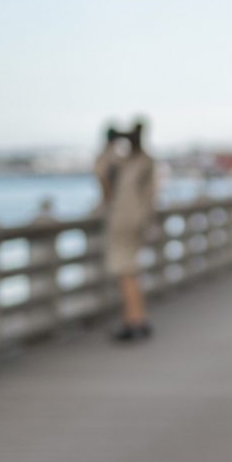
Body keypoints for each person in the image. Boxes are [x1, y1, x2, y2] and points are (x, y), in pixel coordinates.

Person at [94, 120, 156, 341]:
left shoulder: (128, 165)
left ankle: (133, 321)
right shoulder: (143, 162)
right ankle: (138, 318)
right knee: (131, 271)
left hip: (123, 222)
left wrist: (108, 146)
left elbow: (101, 175)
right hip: (137, 222)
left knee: (125, 272)